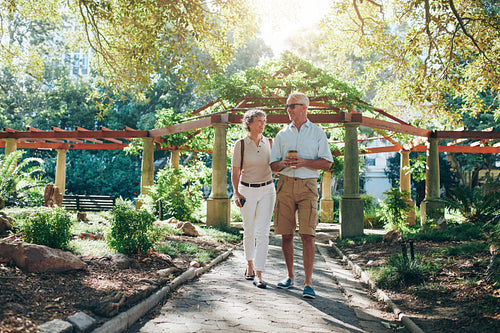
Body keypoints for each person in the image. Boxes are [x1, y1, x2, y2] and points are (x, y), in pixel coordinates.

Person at [270, 92, 333, 299]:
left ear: (304, 107)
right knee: (286, 234)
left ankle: (308, 282)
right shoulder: (281, 135)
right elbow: (273, 166)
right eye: (287, 107)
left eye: (292, 106)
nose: (288, 110)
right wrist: (283, 164)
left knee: (308, 235)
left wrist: (304, 162)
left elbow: (326, 163)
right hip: (285, 185)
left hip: (308, 186)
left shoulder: (317, 133)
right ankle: (290, 276)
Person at [231, 109, 276, 289]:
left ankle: (259, 274)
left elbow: (275, 167)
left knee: (263, 232)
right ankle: (249, 265)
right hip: (246, 190)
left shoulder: (270, 142)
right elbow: (235, 172)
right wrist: (236, 192)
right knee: (249, 229)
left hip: (267, 189)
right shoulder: (240, 144)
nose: (262, 124)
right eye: (259, 121)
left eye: (264, 121)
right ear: (249, 123)